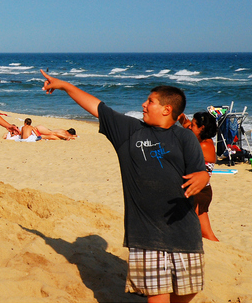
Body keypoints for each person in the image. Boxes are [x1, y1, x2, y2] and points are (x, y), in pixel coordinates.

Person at [41, 70, 208, 302]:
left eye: (150, 101)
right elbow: (97, 107)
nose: (144, 104)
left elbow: (200, 172)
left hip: (184, 231)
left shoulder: (185, 138)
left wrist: (203, 177)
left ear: (167, 109)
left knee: (188, 291)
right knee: (157, 297)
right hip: (147, 234)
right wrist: (65, 86)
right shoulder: (130, 131)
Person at [179, 112, 220, 242]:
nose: (190, 127)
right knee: (205, 233)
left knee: (205, 234)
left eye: (193, 125)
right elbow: (185, 124)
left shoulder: (203, 146)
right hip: (201, 191)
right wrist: (181, 118)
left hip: (199, 192)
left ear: (202, 128)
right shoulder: (200, 138)